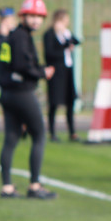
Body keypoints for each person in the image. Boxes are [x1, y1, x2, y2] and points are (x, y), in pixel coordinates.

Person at [0, 0, 57, 200]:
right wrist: (42, 73)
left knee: (11, 138)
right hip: (21, 92)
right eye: (31, 15)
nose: (36, 20)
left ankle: (7, 187)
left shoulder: (17, 35)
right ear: (23, 16)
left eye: (39, 16)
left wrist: (38, 70)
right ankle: (34, 185)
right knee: (39, 134)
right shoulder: (21, 36)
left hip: (8, 93)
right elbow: (22, 66)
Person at [43, 9, 81, 142]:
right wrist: (64, 46)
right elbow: (49, 54)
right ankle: (52, 132)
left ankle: (72, 132)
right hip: (56, 72)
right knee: (54, 102)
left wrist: (66, 37)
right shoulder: (49, 35)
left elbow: (77, 41)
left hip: (67, 71)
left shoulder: (65, 33)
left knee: (70, 101)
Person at [0, 7, 18, 103]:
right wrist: (3, 35)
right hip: (1, 73)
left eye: (7, 19)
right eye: (3, 19)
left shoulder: (18, 34)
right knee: (0, 98)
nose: (5, 22)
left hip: (15, 72)